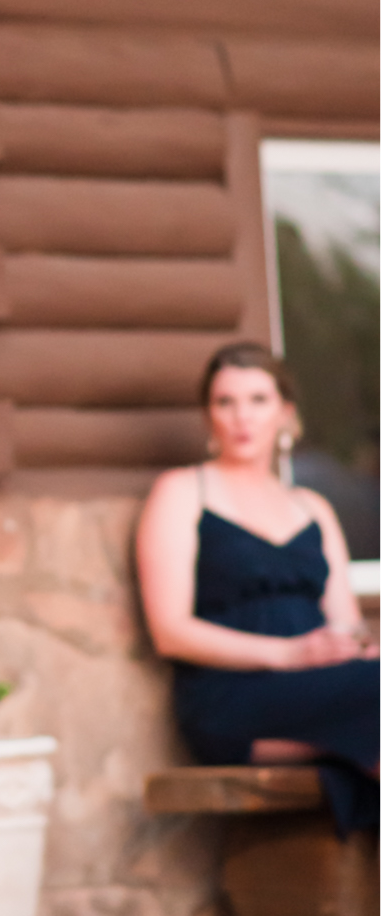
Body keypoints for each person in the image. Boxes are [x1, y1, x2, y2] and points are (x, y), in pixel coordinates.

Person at [137, 342, 379, 834]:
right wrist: (288, 653)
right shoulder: (183, 491)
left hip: (323, 685)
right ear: (209, 416)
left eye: (258, 400)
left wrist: (358, 646)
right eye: (225, 402)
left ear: (286, 413)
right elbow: (170, 631)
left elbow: (345, 624)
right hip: (234, 694)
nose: (241, 417)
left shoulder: (312, 507)